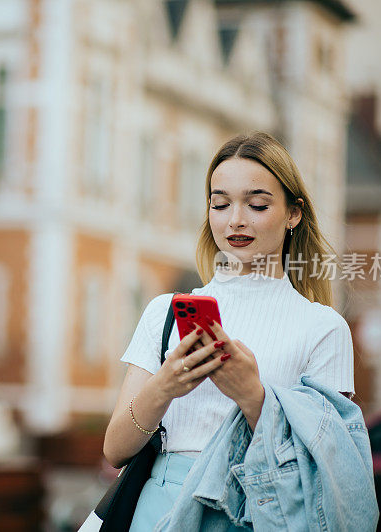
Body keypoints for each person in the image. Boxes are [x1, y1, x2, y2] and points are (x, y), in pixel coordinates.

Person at [102, 132, 356, 531]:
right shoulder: (164, 312)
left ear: (294, 213)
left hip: (257, 512)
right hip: (161, 510)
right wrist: (166, 384)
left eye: (257, 204)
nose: (235, 219)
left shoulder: (324, 328)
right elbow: (115, 450)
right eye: (220, 204)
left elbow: (330, 472)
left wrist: (251, 394)